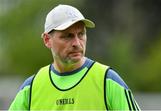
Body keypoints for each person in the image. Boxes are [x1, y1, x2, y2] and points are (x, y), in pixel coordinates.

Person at [9, 4, 140, 110]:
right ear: (47, 40)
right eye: (68, 36)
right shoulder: (30, 88)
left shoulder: (108, 80)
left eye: (81, 34)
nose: (77, 43)